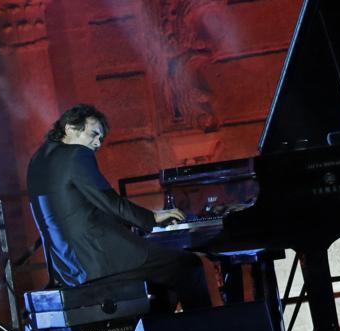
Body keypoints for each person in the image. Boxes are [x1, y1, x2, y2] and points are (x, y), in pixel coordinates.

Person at [26, 104, 210, 310]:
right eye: (93, 134)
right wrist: (152, 218)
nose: (97, 143)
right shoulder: (77, 154)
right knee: (188, 264)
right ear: (70, 128)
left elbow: (80, 207)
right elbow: (110, 202)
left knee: (161, 277)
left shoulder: (38, 160)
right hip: (101, 260)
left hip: (67, 268)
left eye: (101, 139)